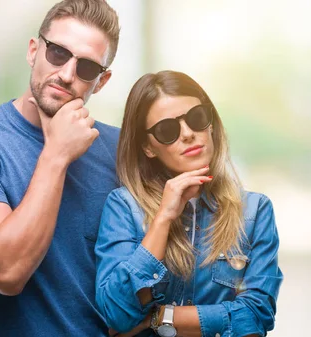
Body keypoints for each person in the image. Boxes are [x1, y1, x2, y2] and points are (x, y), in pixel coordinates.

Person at [0, 1, 121, 336]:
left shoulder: (123, 151)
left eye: (87, 68)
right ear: (34, 51)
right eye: (58, 54)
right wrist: (56, 154)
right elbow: (6, 272)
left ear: (102, 81)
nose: (66, 74)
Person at [95, 70, 283, 337]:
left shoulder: (255, 212)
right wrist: (163, 219)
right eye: (167, 130)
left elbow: (256, 316)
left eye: (196, 118)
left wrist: (158, 318)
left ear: (211, 124)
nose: (187, 134)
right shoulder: (125, 207)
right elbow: (116, 314)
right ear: (148, 147)